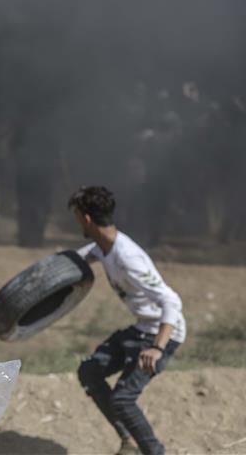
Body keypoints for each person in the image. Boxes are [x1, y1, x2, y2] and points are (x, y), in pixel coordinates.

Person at [69, 186, 185, 455]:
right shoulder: (103, 247)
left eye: (77, 217)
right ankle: (128, 440)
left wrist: (157, 347)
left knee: (123, 399)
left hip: (163, 334)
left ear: (86, 219)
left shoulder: (128, 258)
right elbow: (80, 257)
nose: (77, 223)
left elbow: (172, 302)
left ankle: (155, 452)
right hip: (142, 327)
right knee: (89, 372)